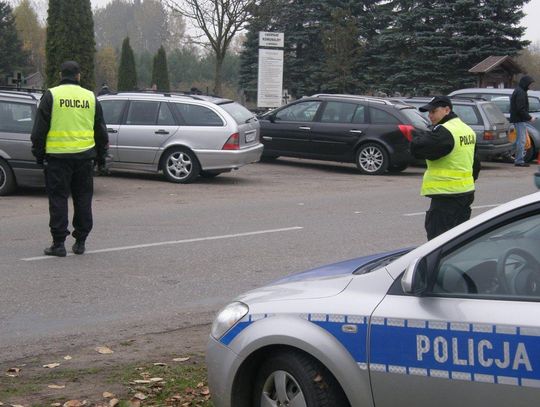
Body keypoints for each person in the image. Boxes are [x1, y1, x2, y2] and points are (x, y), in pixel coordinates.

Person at [31, 61, 109, 257]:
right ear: (78, 76)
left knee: (58, 199)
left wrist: (39, 155)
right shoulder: (90, 97)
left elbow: (39, 130)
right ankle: (80, 241)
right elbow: (100, 131)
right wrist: (101, 158)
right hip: (84, 158)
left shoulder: (52, 95)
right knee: (83, 199)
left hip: (57, 158)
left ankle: (58, 244)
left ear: (60, 74)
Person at [411, 96, 481, 240]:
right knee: (458, 241)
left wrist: (417, 137)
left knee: (438, 242)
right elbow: (475, 163)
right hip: (465, 193)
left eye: (433, 112)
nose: (430, 116)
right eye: (428, 112)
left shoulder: (445, 132)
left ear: (447, 110)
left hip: (447, 196)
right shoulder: (466, 129)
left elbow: (418, 148)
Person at [510, 75, 536, 167]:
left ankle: (507, 153)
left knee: (519, 141)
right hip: (519, 120)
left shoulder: (520, 90)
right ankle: (519, 161)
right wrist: (529, 117)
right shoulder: (520, 92)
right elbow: (520, 109)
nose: (530, 86)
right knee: (522, 141)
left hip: (519, 119)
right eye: (529, 84)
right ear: (525, 83)